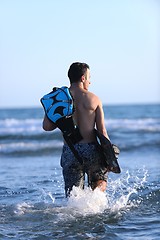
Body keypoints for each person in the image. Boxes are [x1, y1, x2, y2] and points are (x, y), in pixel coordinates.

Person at [42, 62, 110, 197]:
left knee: (73, 195)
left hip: (70, 151)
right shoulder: (94, 99)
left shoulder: (58, 98)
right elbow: (102, 131)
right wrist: (109, 157)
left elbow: (47, 127)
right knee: (99, 182)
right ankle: (94, 203)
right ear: (83, 78)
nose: (90, 82)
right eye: (89, 77)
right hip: (91, 149)